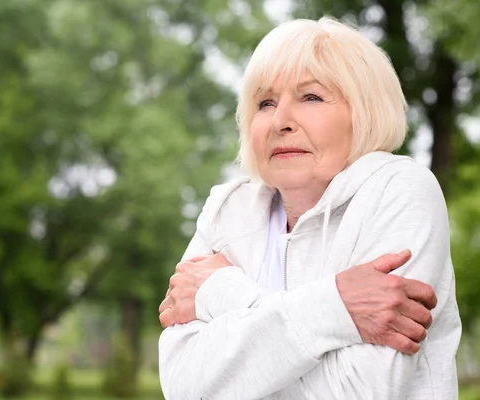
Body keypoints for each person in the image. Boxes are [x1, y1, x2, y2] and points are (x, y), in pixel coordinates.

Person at [158, 17, 461, 399]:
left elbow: (359, 392)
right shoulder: (227, 209)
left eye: (311, 97)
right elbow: (184, 386)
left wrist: (224, 293)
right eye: (265, 103)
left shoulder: (399, 190)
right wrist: (339, 310)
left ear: (364, 111)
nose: (280, 121)